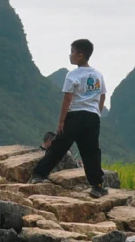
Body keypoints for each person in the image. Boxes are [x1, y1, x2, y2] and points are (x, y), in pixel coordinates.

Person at [33, 39, 109, 198]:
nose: (70, 55)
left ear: (80, 55)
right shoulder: (98, 75)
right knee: (91, 152)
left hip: (75, 116)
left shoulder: (73, 74)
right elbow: (102, 97)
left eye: (72, 52)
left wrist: (61, 121)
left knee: (59, 146)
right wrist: (97, 113)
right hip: (92, 117)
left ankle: (38, 175)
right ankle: (97, 186)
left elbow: (67, 99)